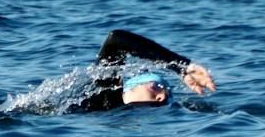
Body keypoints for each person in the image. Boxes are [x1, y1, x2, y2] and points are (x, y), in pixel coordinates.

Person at [68, 29, 217, 112]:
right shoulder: (104, 97)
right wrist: (182, 67)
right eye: (157, 86)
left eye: (168, 94)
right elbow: (115, 40)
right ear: (130, 88)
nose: (162, 97)